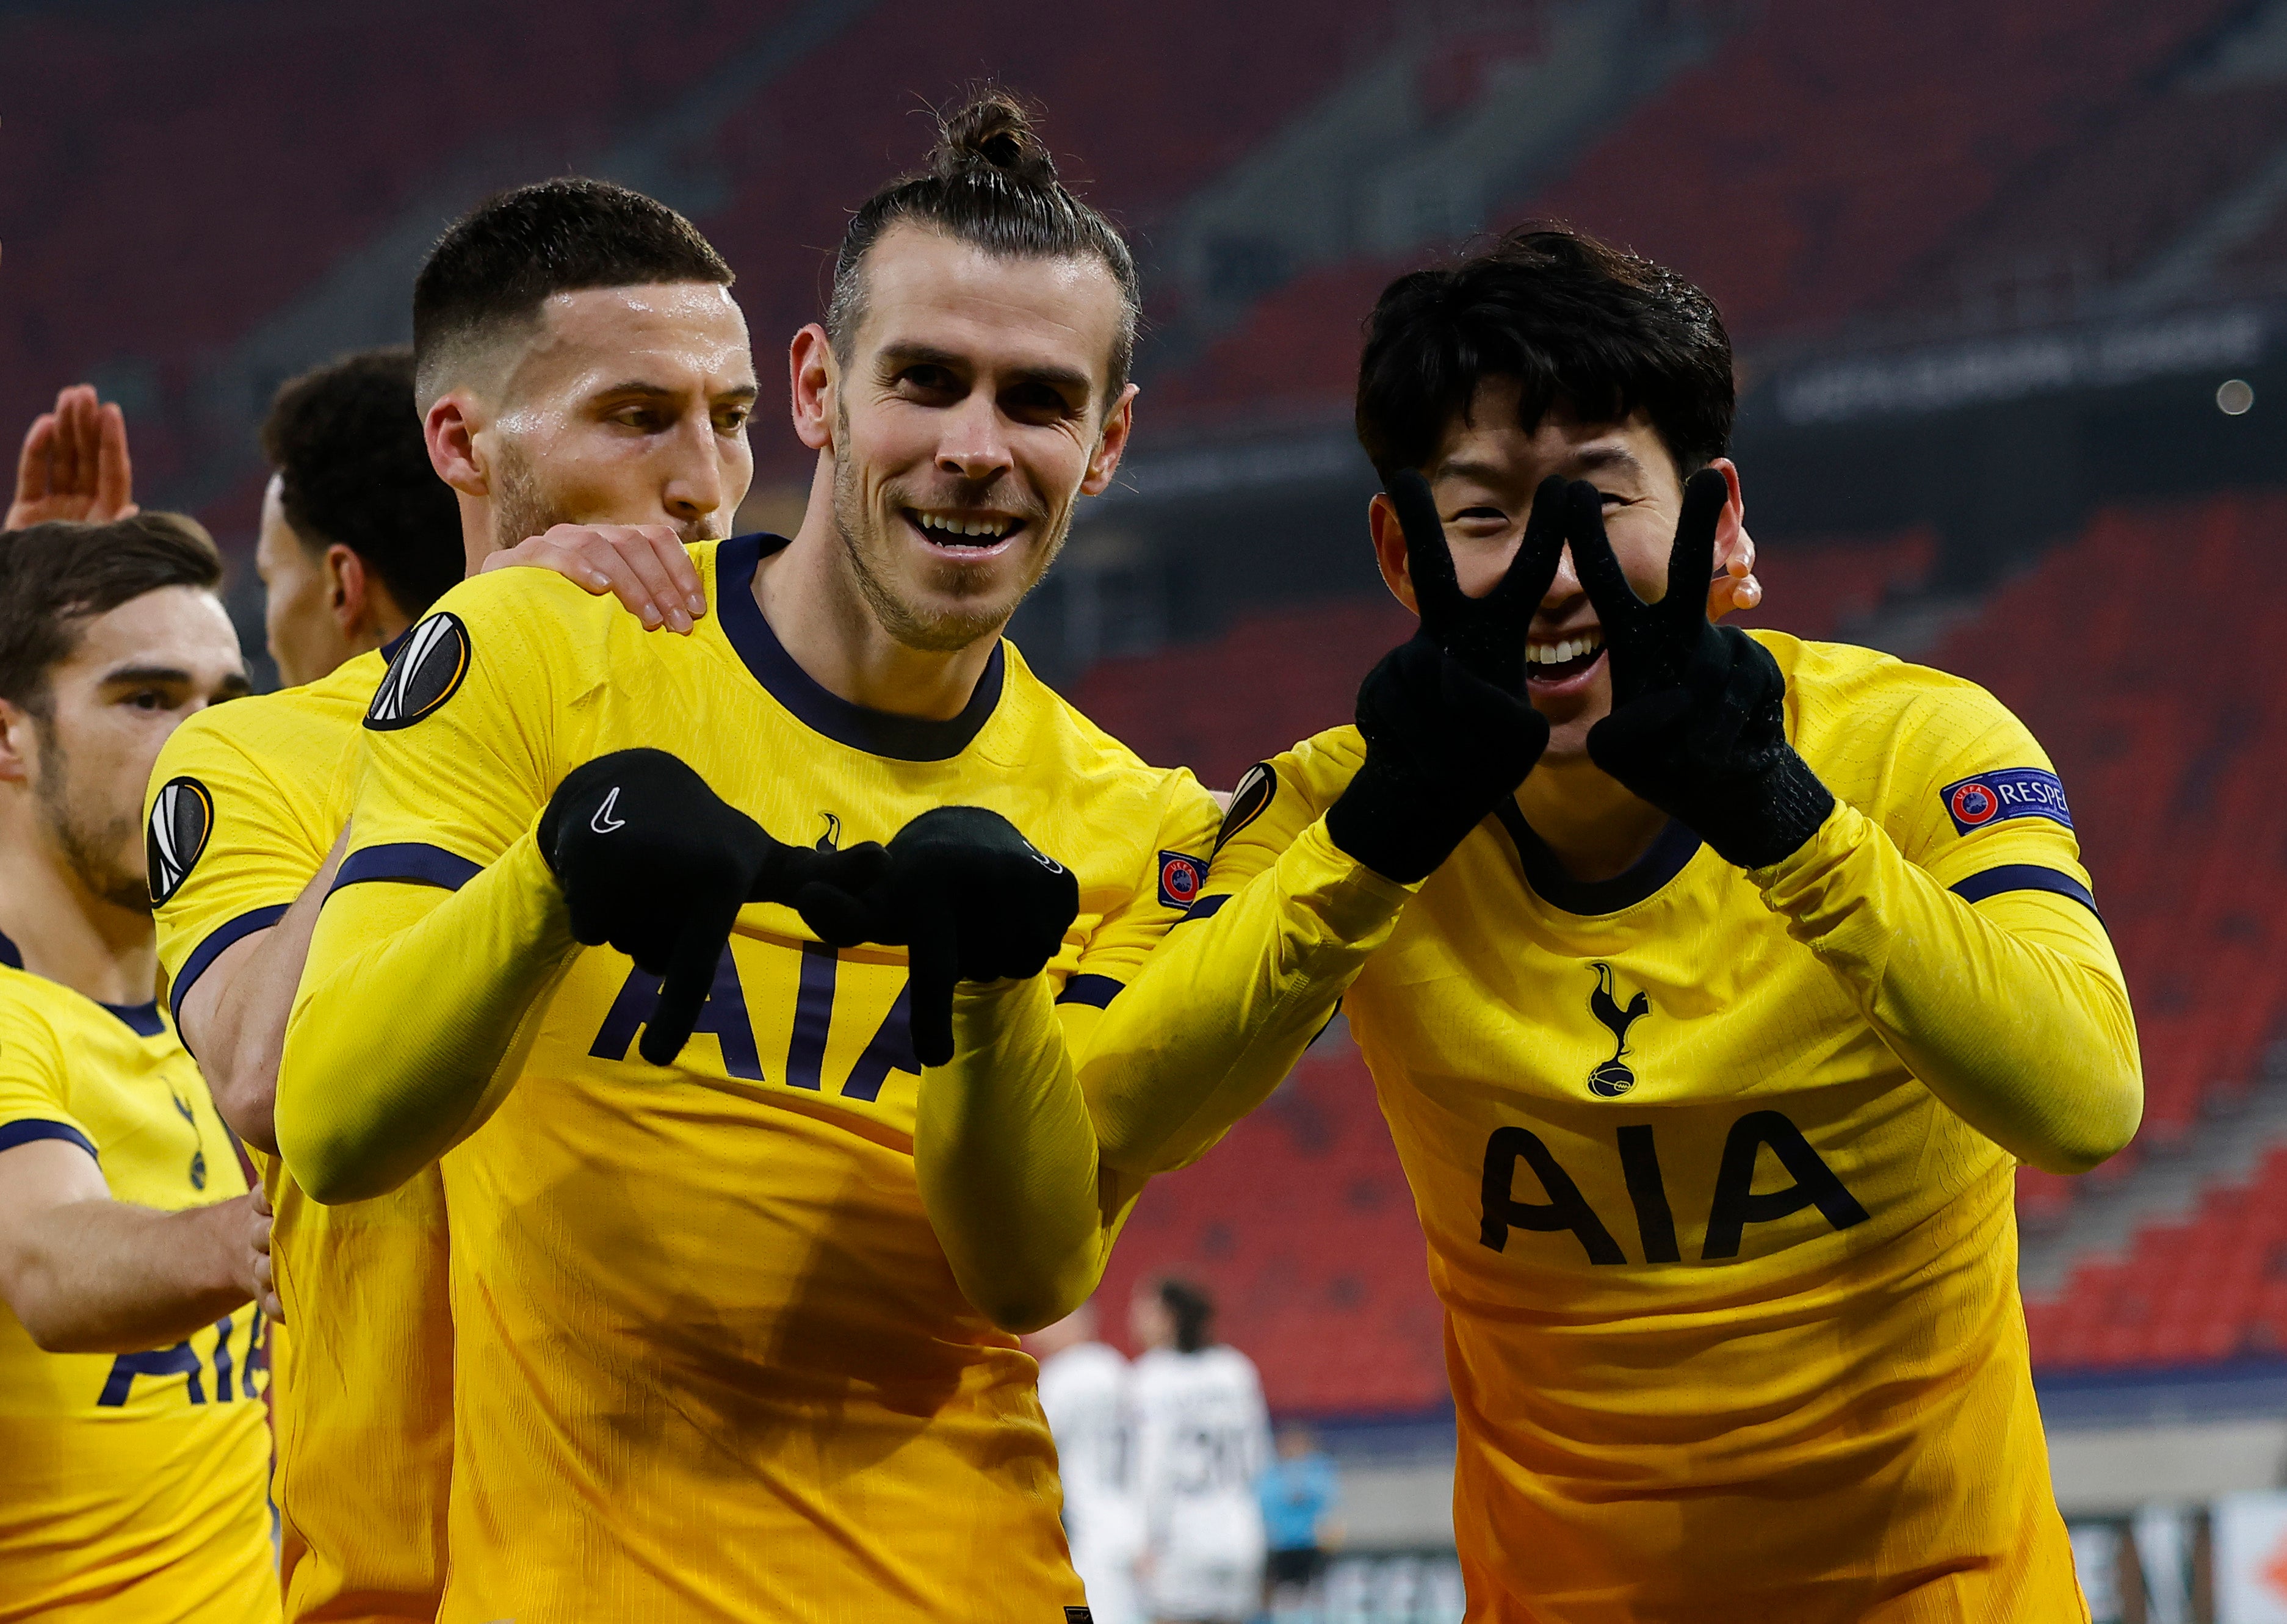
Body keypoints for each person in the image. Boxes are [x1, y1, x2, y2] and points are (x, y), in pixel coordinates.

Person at [941, 225, 2141, 1622]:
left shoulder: (1916, 747)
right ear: (1400, 549)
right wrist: (1378, 845)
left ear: (1721, 521)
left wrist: (1776, 817)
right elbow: (1083, 1139)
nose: (1551, 574)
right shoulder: (1345, 808)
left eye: (1597, 499)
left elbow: (2085, 1097)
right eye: (1486, 515)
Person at [275, 93, 1222, 1619]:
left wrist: (986, 997)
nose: (975, 450)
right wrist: (551, 880)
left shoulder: (1133, 828)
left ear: (1105, 443)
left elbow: (1030, 1274)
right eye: (924, 380)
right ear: (816, 389)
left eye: (1038, 401)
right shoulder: (531, 653)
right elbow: (332, 1125)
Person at [146, 199, 740, 1624]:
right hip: (406, 1592)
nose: (705, 482)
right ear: (465, 446)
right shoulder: (257, 757)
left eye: (731, 420)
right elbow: (269, 1078)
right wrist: (454, 698)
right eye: (640, 419)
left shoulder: (783, 725)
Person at [0, 513, 273, 1621]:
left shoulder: (226, 1013)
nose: (205, 744)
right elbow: (50, 1264)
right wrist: (278, 1231)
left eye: (226, 704)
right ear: (11, 738)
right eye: (148, 699)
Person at [252, 348, 463, 688]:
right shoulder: (549, 710)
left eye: (269, 582)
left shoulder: (231, 740)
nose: (270, 644)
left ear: (343, 586)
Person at [1129, 1279, 1271, 1624]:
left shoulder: (1152, 1376)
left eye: (1145, 1309)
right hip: (1241, 1534)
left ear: (1168, 1316)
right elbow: (1259, 1460)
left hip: (1181, 1540)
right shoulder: (1237, 1370)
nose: (1135, 1319)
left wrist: (1144, 1539)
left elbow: (1152, 1469)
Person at [1035, 1297, 1144, 1624]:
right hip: (1132, 1528)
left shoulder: (1063, 1376)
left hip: (1086, 1537)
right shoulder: (1118, 1368)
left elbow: (1036, 1453)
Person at [1258, 1423, 1342, 1616]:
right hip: (1281, 1546)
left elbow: (1328, 1497)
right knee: (1279, 1598)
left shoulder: (1319, 1469)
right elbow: (1263, 1500)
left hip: (1310, 1545)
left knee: (1314, 1597)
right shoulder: (1271, 1473)